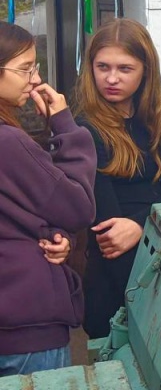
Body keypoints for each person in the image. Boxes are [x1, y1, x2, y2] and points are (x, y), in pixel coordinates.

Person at [75, 19, 161, 338]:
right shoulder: (85, 129)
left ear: (145, 71)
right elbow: (109, 231)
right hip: (116, 285)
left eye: (124, 68)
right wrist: (142, 305)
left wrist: (140, 225)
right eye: (103, 67)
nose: (111, 78)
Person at [0, 23, 96, 376]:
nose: (36, 79)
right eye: (25, 68)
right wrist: (65, 126)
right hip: (26, 326)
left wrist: (55, 235)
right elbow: (77, 207)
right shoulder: (9, 143)